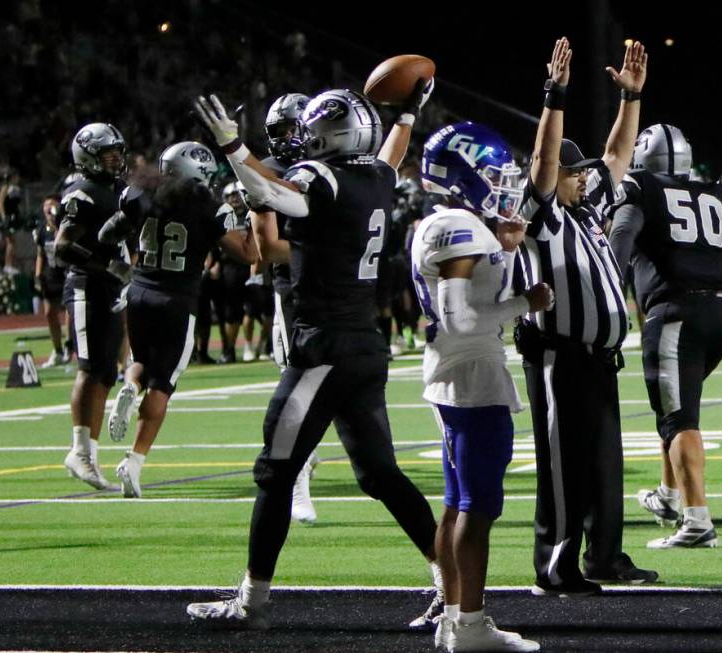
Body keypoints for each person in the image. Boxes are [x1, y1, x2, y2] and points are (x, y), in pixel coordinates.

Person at [185, 82, 441, 629]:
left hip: (319, 349)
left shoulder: (320, 178)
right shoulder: (376, 177)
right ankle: (453, 583)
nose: (303, 137)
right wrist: (408, 117)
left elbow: (275, 195)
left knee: (275, 474)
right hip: (365, 347)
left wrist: (232, 146)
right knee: (379, 475)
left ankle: (251, 603)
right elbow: (392, 157)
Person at [515, 37, 656, 594]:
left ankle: (602, 557)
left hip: (598, 357)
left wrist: (631, 101)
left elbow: (616, 157)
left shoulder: (587, 206)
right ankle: (555, 563)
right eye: (574, 173)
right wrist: (556, 94)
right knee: (563, 464)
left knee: (602, 462)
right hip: (560, 355)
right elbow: (545, 163)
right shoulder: (544, 214)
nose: (583, 176)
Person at [414, 121, 552, 652]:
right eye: (492, 175)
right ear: (463, 174)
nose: (504, 184)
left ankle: (454, 618)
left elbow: (472, 300)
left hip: (458, 375)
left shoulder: (461, 224)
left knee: (456, 504)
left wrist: (510, 248)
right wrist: (527, 304)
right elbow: (460, 320)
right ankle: (470, 622)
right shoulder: (457, 226)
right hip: (470, 377)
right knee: (477, 507)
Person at [608, 124, 722, 549]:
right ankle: (669, 496)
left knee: (678, 416)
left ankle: (697, 521)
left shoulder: (639, 187)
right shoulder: (716, 194)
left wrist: (607, 291)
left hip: (676, 310)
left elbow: (621, 238)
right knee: (674, 402)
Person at [101, 141, 257, 497]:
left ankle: (129, 388)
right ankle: (134, 463)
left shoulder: (140, 194)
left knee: (140, 362)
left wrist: (122, 268)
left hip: (139, 292)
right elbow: (246, 253)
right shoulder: (207, 206)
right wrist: (252, 218)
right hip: (177, 300)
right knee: (164, 384)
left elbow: (107, 234)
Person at [248, 92, 320, 525]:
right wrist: (326, 249)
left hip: (337, 295)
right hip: (292, 293)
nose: (289, 138)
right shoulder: (271, 172)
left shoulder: (328, 169)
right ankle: (297, 482)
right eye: (282, 131)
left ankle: (304, 461)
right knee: (297, 390)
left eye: (295, 128)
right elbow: (267, 248)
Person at [55, 122, 132, 491]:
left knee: (105, 372)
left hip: (111, 286)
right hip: (88, 286)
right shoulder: (82, 192)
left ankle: (90, 453)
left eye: (118, 151)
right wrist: (109, 265)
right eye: (107, 153)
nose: (116, 159)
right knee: (89, 369)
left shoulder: (116, 189)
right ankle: (79, 451)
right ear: (88, 157)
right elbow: (62, 247)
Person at [215, 181, 251, 363]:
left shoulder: (251, 214)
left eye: (237, 195)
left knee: (260, 308)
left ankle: (263, 346)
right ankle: (229, 349)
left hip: (251, 266)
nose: (235, 199)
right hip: (230, 267)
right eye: (230, 196)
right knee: (231, 311)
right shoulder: (222, 215)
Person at [33, 194, 71, 367]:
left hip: (68, 272)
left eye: (52, 205)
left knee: (70, 311)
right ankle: (57, 350)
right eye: (46, 205)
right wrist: (38, 274)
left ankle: (70, 346)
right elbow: (40, 253)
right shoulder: (41, 231)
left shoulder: (65, 226)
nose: (48, 208)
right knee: (49, 312)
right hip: (51, 274)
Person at [0, 170, 23, 274]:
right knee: (10, 242)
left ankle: (10, 264)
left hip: (14, 216)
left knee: (13, 242)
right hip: (8, 218)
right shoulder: (5, 188)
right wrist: (4, 218)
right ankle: (8, 265)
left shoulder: (15, 189)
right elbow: (0, 204)